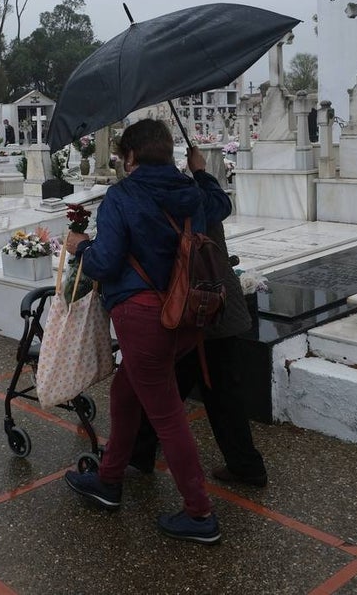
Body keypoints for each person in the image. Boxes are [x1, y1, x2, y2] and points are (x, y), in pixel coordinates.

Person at [63, 119, 231, 545]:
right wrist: (200, 169)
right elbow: (220, 206)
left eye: (123, 156)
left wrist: (79, 245)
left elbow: (104, 263)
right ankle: (109, 479)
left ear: (132, 156)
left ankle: (199, 513)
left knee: (168, 417)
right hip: (185, 315)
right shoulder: (190, 191)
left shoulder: (123, 196)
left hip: (144, 318)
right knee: (126, 390)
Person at [129, 217, 268, 487]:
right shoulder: (206, 192)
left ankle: (139, 453)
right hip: (215, 306)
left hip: (198, 310)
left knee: (170, 391)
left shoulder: (183, 198)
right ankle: (246, 465)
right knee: (219, 393)